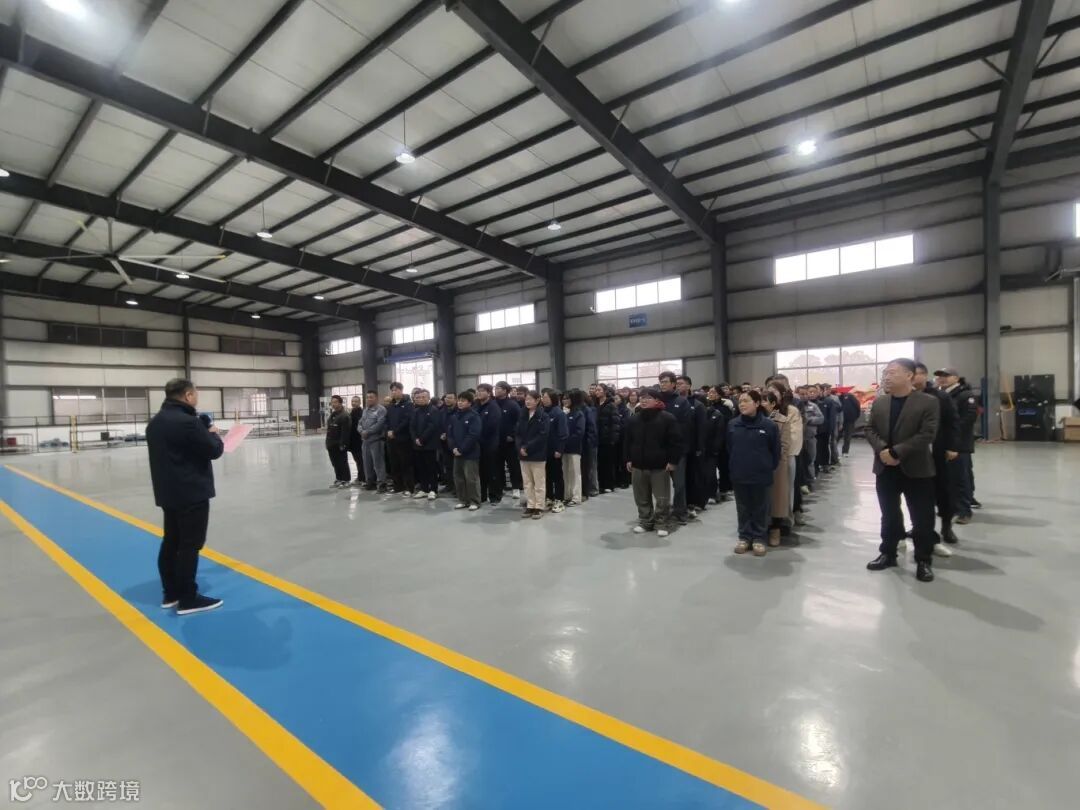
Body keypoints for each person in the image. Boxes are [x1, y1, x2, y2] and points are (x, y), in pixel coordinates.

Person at [146, 377, 225, 615]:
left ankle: (170, 593)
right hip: (191, 492)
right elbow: (214, 450)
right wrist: (214, 434)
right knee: (190, 545)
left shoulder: (155, 423)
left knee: (171, 541)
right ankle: (188, 598)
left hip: (168, 493)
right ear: (188, 396)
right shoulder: (189, 423)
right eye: (196, 393)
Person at [865, 359, 940, 583]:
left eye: (892, 372)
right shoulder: (880, 402)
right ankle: (888, 553)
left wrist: (896, 452)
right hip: (885, 468)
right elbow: (869, 429)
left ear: (909, 375)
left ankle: (923, 559)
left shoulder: (928, 402)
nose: (887, 377)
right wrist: (883, 450)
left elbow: (927, 434)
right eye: (885, 373)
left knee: (922, 516)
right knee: (889, 513)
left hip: (916, 468)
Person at [912, 363, 960, 556]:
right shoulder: (906, 396)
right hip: (915, 453)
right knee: (920, 496)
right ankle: (921, 528)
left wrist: (952, 446)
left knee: (943, 491)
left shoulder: (940, 397)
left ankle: (946, 526)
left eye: (915, 374)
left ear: (924, 376)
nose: (912, 377)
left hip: (938, 452)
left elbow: (952, 421)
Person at [624, 386, 682, 537]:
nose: (644, 400)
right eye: (642, 398)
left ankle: (662, 523)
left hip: (659, 466)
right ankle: (645, 521)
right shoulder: (634, 419)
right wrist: (628, 459)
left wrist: (673, 461)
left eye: (648, 398)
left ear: (657, 401)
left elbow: (675, 442)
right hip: (638, 465)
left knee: (662, 498)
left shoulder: (667, 418)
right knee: (641, 496)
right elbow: (628, 441)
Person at [728, 390, 781, 556]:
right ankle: (744, 537)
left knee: (761, 508)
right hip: (739, 474)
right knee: (743, 508)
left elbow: (775, 452)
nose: (742, 404)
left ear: (757, 403)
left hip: (761, 475)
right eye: (740, 401)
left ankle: (759, 538)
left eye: (746, 401)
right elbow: (729, 448)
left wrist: (766, 467)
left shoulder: (769, 426)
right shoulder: (733, 425)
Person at [935, 367, 978, 524]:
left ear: (956, 378)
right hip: (942, 443)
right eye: (940, 376)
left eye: (946, 376)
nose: (942, 378)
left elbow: (969, 418)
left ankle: (964, 511)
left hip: (959, 444)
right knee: (945, 478)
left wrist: (951, 433)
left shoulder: (965, 395)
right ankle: (948, 507)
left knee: (961, 478)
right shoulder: (939, 394)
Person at [762, 386, 801, 546]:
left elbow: (786, 443)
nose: (762, 404)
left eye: (765, 400)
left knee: (779, 497)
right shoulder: (753, 418)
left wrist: (778, 460)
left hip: (778, 463)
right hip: (758, 465)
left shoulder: (784, 416)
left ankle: (777, 527)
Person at [657, 371, 691, 524]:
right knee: (660, 485)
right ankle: (662, 512)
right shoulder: (656, 401)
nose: (662, 384)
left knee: (679, 484)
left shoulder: (682, 402)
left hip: (677, 450)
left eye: (665, 382)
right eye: (661, 382)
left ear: (673, 384)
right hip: (659, 449)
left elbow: (686, 427)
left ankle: (680, 512)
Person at [676, 375, 708, 518]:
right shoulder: (674, 402)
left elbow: (702, 428)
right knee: (678, 481)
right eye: (677, 383)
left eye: (681, 383)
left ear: (689, 386)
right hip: (678, 448)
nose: (678, 386)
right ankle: (679, 504)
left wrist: (700, 448)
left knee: (692, 478)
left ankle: (691, 504)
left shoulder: (697, 405)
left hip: (693, 448)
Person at [517, 390, 550, 519]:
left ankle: (539, 507)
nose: (528, 401)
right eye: (526, 399)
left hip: (537, 453)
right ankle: (530, 505)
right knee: (527, 482)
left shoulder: (543, 416)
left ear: (537, 400)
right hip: (523, 454)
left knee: (539, 482)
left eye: (530, 399)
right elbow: (518, 433)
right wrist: (520, 447)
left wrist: (527, 447)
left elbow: (543, 435)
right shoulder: (523, 415)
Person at [448, 390, 482, 511]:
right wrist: (453, 447)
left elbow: (473, 435)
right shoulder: (454, 416)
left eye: (463, 401)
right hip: (456, 452)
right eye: (459, 400)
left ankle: (474, 501)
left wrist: (462, 449)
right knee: (458, 477)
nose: (460, 403)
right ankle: (463, 500)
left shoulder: (474, 416)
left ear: (469, 403)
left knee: (471, 478)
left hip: (470, 453)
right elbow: (450, 434)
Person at [494, 382, 523, 502]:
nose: (496, 390)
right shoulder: (493, 404)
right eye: (495, 388)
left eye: (498, 388)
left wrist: (512, 435)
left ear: (505, 391)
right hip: (496, 441)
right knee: (497, 466)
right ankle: (500, 487)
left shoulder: (512, 405)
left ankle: (516, 487)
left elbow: (519, 422)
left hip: (510, 442)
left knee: (513, 465)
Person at [410, 389, 441, 500]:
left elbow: (432, 426)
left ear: (428, 398)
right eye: (418, 397)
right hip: (417, 445)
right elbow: (412, 426)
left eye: (423, 397)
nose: (420, 399)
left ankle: (433, 489)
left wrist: (422, 439)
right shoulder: (415, 411)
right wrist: (415, 439)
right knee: (421, 467)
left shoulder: (433, 410)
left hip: (429, 444)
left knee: (431, 468)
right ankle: (424, 489)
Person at [474, 384, 503, 505]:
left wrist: (479, 435)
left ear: (489, 393)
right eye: (478, 391)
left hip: (490, 444)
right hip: (478, 444)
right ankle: (482, 495)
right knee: (481, 471)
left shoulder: (493, 407)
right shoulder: (476, 406)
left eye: (482, 391)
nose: (479, 393)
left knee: (492, 471)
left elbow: (492, 426)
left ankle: (495, 495)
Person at [386, 382, 415, 496]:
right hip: (391, 439)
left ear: (401, 390)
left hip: (403, 439)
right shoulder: (391, 406)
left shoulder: (408, 405)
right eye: (392, 390)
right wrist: (388, 431)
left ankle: (409, 487)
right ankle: (397, 486)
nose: (394, 392)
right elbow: (387, 420)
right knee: (394, 464)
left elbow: (407, 420)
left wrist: (395, 431)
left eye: (396, 390)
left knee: (406, 464)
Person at [702, 386, 730, 505]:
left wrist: (718, 445)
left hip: (721, 443)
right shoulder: (705, 410)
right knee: (709, 471)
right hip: (708, 446)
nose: (710, 394)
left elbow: (726, 426)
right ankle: (710, 493)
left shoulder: (724, 408)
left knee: (723, 469)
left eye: (713, 392)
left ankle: (723, 491)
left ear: (719, 394)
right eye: (709, 392)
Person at [542, 388, 568, 512]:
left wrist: (559, 449)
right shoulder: (541, 412)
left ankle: (559, 500)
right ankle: (549, 498)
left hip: (555, 451)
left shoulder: (559, 413)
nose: (543, 399)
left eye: (546, 397)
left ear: (552, 399)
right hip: (543, 451)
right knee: (546, 475)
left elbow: (563, 434)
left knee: (557, 476)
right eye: (542, 397)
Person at [358, 391, 389, 492]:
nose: (369, 399)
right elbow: (360, 423)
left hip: (376, 440)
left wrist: (368, 432)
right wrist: (361, 431)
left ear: (376, 398)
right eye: (367, 397)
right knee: (367, 463)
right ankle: (370, 482)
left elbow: (380, 424)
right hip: (365, 441)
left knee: (378, 463)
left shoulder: (381, 410)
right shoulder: (365, 410)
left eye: (371, 397)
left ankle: (382, 484)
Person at [595, 384, 621, 493]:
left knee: (608, 463)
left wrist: (613, 439)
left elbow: (615, 423)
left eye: (599, 390)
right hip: (598, 437)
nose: (597, 392)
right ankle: (601, 484)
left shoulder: (611, 405)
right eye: (596, 390)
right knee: (600, 462)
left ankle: (609, 485)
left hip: (608, 438)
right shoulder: (595, 404)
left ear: (605, 391)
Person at [562, 389, 585, 506]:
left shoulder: (578, 414)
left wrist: (567, 440)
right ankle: (567, 495)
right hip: (563, 449)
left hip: (574, 449)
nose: (564, 401)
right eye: (563, 399)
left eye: (567, 398)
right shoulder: (563, 413)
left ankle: (576, 497)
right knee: (565, 473)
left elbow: (579, 432)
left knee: (575, 473)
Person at [324, 395, 352, 488]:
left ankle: (346, 480)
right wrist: (327, 443)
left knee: (342, 462)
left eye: (335, 402)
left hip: (339, 444)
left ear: (340, 403)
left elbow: (346, 432)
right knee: (335, 463)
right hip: (331, 444)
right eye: (332, 402)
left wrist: (343, 444)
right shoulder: (333, 415)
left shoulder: (344, 416)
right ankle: (339, 479)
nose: (333, 404)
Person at [583, 388, 599, 498]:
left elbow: (592, 429)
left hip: (591, 443)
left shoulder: (589, 410)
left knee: (592, 466)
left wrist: (589, 442)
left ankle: (593, 488)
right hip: (585, 443)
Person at [438, 392, 457, 492]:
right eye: (446, 398)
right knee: (448, 465)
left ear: (455, 399)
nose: (447, 399)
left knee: (457, 466)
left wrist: (448, 434)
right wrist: (441, 433)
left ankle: (457, 487)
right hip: (444, 443)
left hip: (456, 443)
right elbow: (438, 425)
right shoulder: (442, 411)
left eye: (450, 398)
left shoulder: (458, 411)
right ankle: (450, 485)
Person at [347, 395, 365, 485]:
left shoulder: (361, 413)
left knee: (361, 460)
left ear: (360, 402)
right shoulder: (352, 412)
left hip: (359, 441)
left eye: (356, 401)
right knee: (357, 460)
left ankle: (363, 478)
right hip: (353, 441)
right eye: (352, 401)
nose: (353, 403)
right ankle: (360, 477)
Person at [840, 388, 861, 456]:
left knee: (847, 437)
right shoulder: (839, 398)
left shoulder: (850, 397)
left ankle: (845, 452)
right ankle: (837, 453)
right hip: (842, 421)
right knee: (839, 436)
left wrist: (855, 417)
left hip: (849, 421)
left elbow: (858, 407)